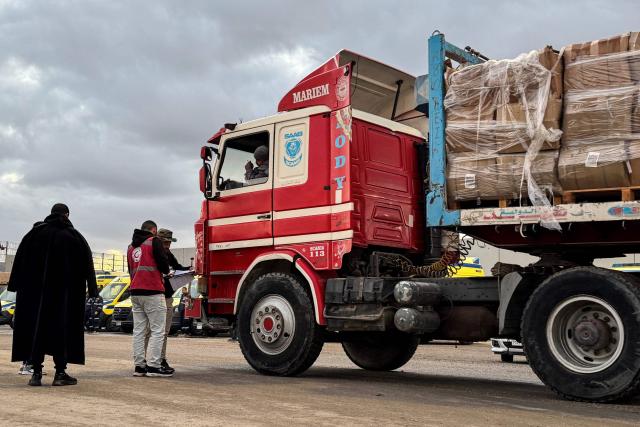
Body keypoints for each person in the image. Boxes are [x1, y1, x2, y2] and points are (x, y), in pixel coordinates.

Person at [8, 203, 97, 386]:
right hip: (65, 295)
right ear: (67, 214)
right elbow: (88, 264)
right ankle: (60, 373)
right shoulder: (74, 236)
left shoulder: (33, 235)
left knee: (36, 329)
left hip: (34, 295)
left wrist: (13, 286)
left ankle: (36, 373)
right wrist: (93, 290)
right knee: (62, 330)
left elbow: (18, 261)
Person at [127, 220, 173, 377]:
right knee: (157, 330)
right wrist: (168, 271)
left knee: (139, 331)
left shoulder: (131, 247)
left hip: (135, 292)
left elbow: (130, 269)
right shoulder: (154, 241)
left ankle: (139, 366)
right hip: (152, 291)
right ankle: (154, 365)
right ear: (154, 230)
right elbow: (163, 265)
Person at [152, 228, 191, 374]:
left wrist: (190, 270)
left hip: (166, 296)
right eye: (165, 242)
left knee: (164, 331)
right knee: (156, 332)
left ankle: (159, 359)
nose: (168, 245)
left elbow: (178, 268)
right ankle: (154, 361)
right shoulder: (156, 254)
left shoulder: (168, 254)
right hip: (157, 296)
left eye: (169, 242)